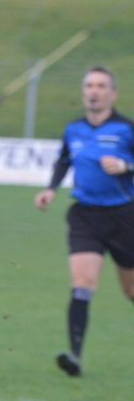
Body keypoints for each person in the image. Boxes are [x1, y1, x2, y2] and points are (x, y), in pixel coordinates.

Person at [33, 66, 134, 377]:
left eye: (101, 86)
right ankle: (74, 358)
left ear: (113, 94)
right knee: (82, 284)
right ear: (83, 92)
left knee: (131, 291)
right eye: (89, 85)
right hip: (85, 216)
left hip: (124, 217)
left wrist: (125, 165)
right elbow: (64, 159)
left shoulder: (126, 129)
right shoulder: (73, 130)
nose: (94, 91)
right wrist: (51, 188)